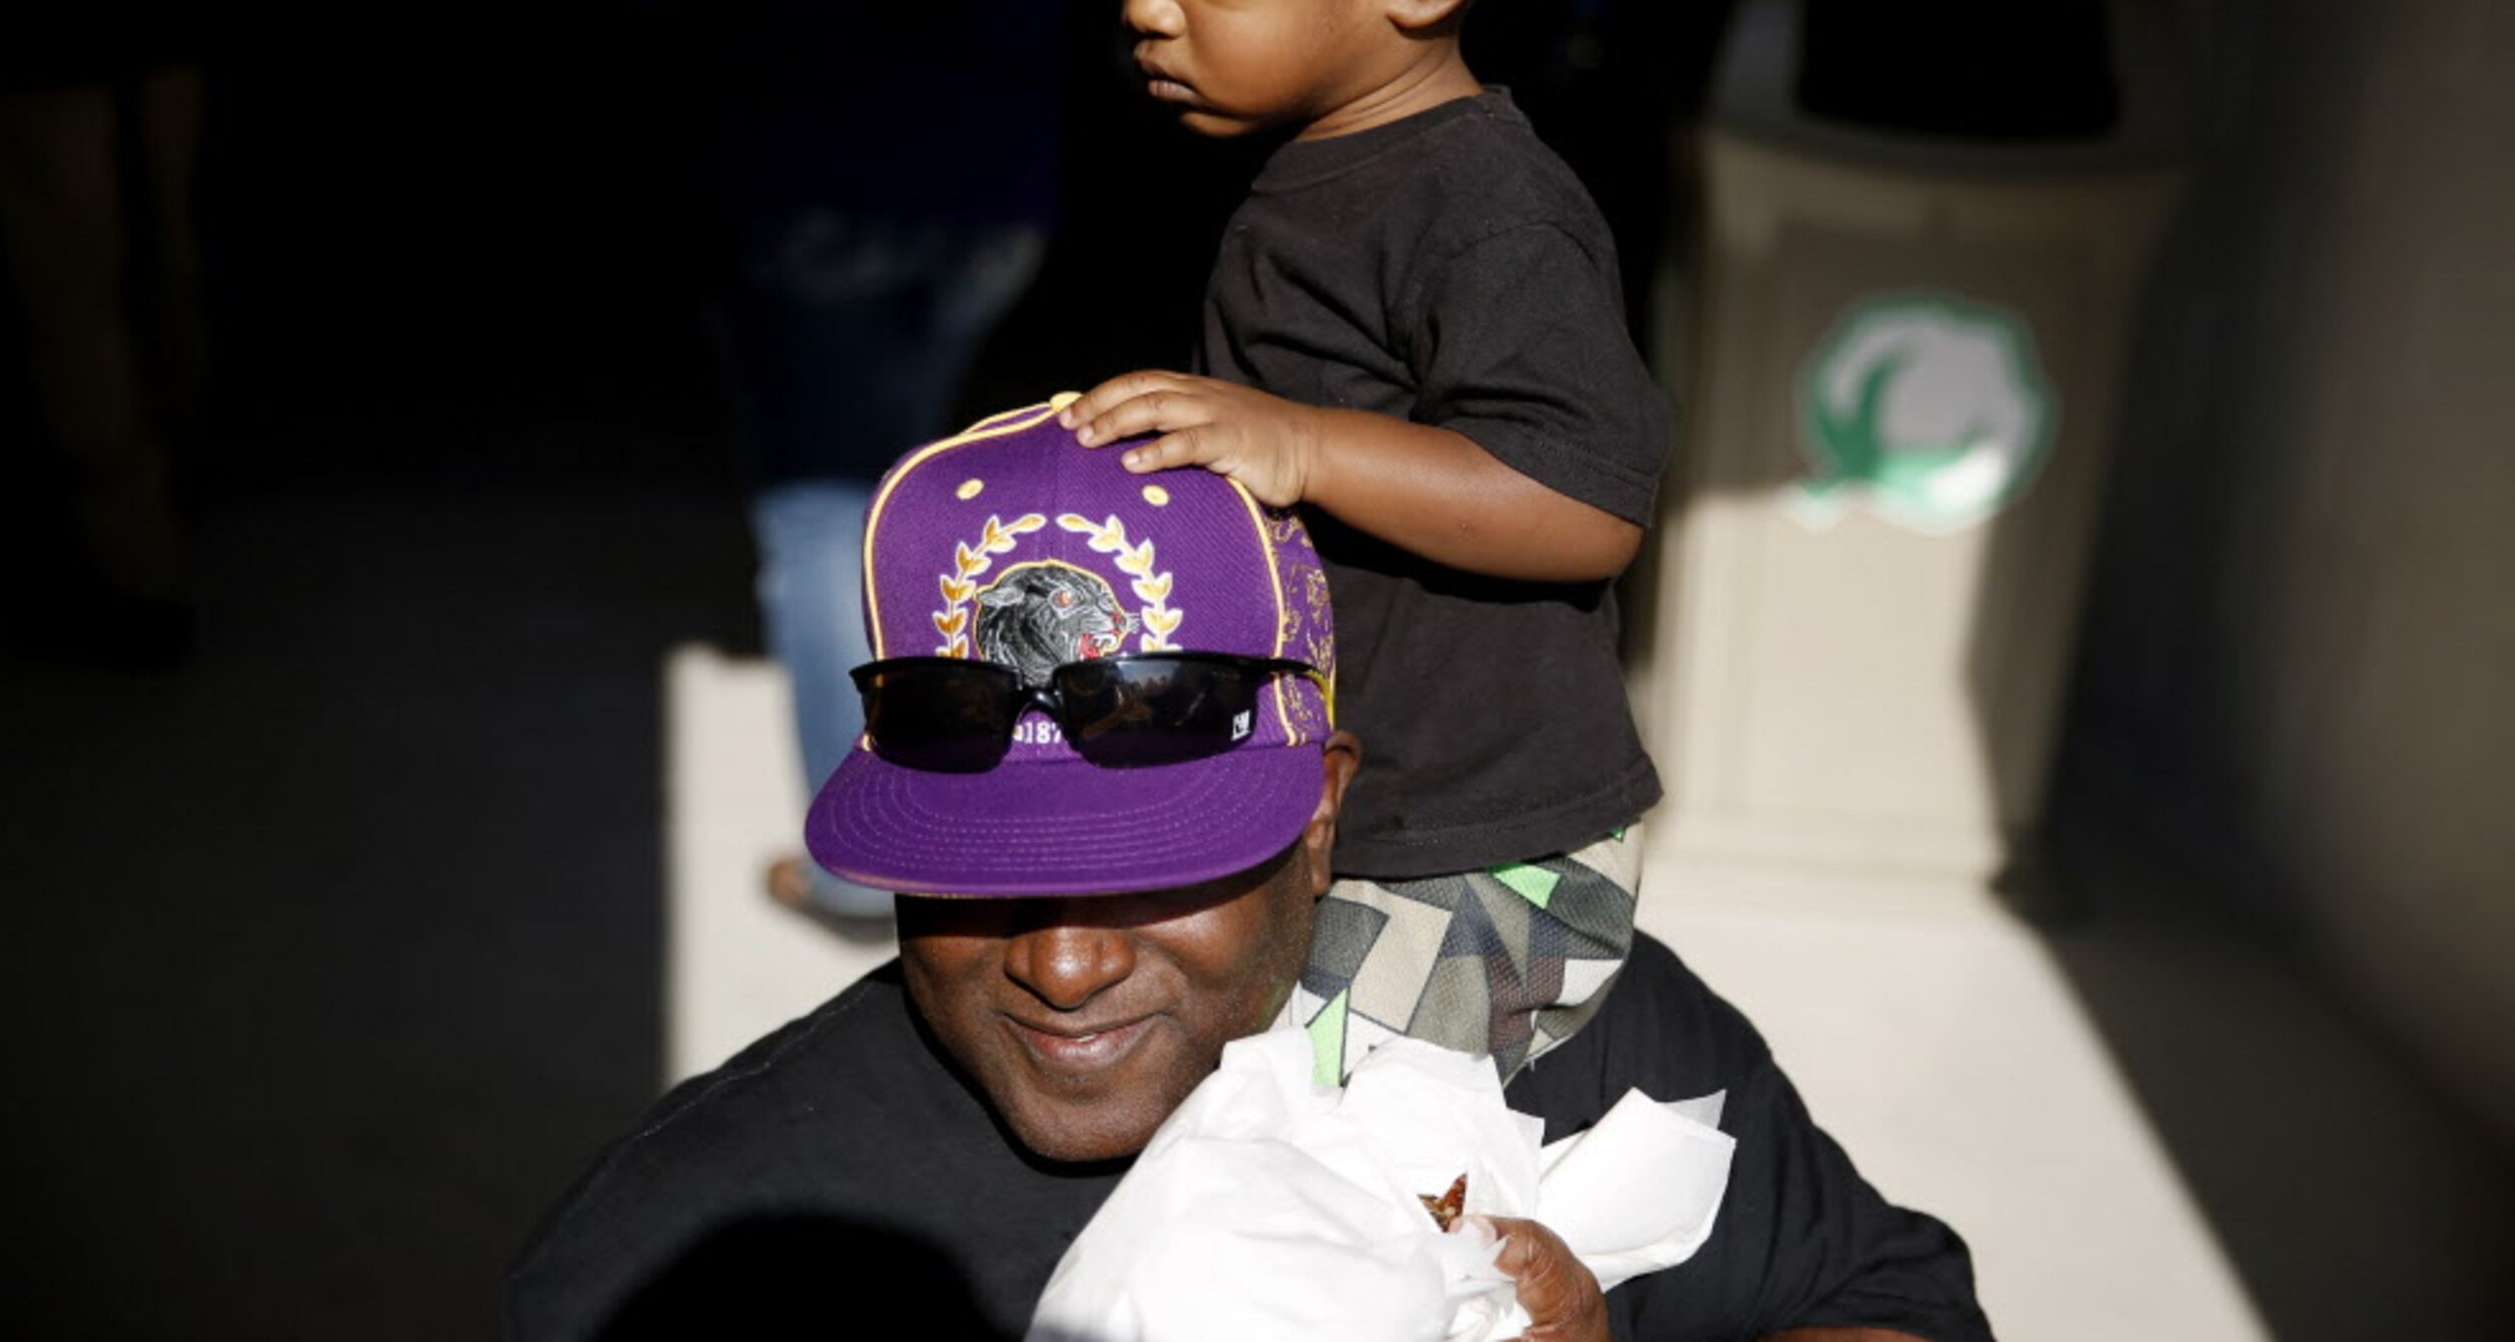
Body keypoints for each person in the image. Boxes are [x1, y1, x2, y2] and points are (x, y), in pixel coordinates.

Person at [505, 402, 1991, 1342]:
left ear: (1325, 812)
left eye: (1154, 867)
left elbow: (1889, 1301)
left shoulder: (1525, 1001)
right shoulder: (692, 1264)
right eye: (971, 876)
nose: (1061, 965)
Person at [1059, 0, 1670, 1085]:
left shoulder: (1481, 206)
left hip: (1484, 863)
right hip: (1356, 818)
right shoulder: (1308, 166)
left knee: (1325, 1187)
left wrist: (1298, 444)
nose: (1142, 4)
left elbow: (1586, 501)